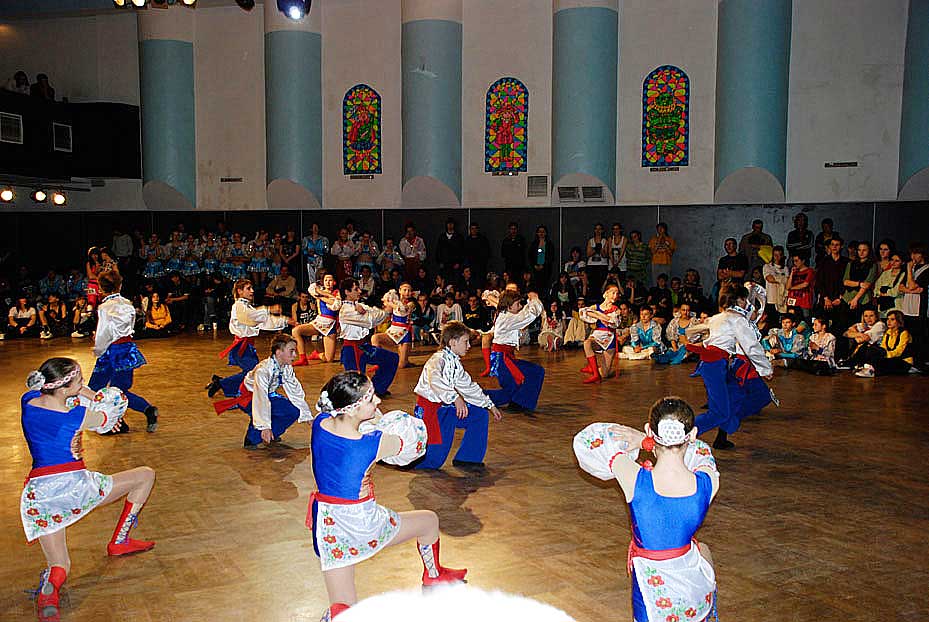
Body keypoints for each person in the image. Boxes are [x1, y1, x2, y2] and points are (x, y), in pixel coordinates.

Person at [310, 372, 465, 619]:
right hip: (361, 522)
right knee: (429, 521)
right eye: (371, 398)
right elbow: (415, 445)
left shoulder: (320, 423)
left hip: (327, 525)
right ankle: (433, 574)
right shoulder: (372, 444)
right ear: (352, 408)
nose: (378, 401)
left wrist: (369, 417)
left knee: (344, 608)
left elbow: (350, 427)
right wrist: (393, 423)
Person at [21, 358, 156, 622]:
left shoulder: (29, 402)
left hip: (39, 496)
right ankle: (119, 541)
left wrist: (85, 395)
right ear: (63, 388)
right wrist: (103, 405)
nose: (83, 383)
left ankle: (49, 593)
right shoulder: (76, 416)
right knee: (145, 475)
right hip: (76, 488)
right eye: (79, 380)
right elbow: (110, 414)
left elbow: (77, 404)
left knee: (60, 565)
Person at [573, 397, 720, 622]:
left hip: (653, 590)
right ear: (692, 434)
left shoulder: (633, 478)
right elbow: (701, 451)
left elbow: (587, 441)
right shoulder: (708, 481)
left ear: (650, 430)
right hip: (693, 588)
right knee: (704, 551)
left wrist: (645, 442)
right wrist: (649, 441)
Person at [685, 283, 773, 450]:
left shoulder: (718, 317)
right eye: (744, 299)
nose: (746, 303)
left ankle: (688, 434)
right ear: (739, 300)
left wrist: (702, 339)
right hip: (716, 365)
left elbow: (692, 332)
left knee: (727, 405)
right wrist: (765, 369)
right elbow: (751, 346)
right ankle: (681, 434)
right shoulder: (737, 320)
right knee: (720, 412)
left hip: (715, 364)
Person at [413, 322, 503, 470]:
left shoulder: (454, 362)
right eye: (466, 342)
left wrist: (489, 405)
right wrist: (455, 398)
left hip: (446, 408)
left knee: (479, 415)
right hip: (432, 411)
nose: (469, 346)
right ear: (453, 342)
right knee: (432, 462)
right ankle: (398, 456)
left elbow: (469, 386)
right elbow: (435, 380)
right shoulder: (437, 360)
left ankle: (468, 458)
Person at [87, 271, 158, 433]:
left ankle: (118, 422)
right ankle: (143, 411)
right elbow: (130, 327)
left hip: (111, 350)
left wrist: (98, 349)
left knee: (96, 388)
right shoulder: (127, 304)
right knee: (118, 390)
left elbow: (103, 333)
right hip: (126, 349)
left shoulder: (104, 307)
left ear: (101, 288)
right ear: (119, 286)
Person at [213, 334, 314, 448]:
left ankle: (271, 434)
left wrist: (307, 416)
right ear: (278, 352)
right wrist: (264, 426)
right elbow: (260, 398)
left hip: (266, 395)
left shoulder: (286, 367)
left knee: (292, 411)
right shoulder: (263, 370)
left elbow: (295, 392)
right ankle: (252, 439)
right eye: (291, 351)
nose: (295, 355)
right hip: (250, 397)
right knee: (266, 412)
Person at [206, 279, 289, 399]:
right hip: (242, 346)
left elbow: (261, 321)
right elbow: (251, 318)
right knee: (253, 372)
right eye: (248, 288)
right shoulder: (239, 306)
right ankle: (222, 384)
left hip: (246, 346)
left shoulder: (246, 306)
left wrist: (284, 321)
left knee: (252, 372)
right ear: (240, 291)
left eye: (252, 288)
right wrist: (269, 310)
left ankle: (221, 383)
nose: (252, 291)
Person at [338, 278, 400, 398]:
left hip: (363, 346)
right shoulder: (345, 311)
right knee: (356, 386)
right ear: (347, 292)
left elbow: (375, 313)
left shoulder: (359, 305)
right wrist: (386, 311)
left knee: (391, 358)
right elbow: (370, 321)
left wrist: (383, 311)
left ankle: (377, 389)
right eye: (356, 289)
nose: (359, 291)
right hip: (352, 350)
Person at [849, 310, 917, 377]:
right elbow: (883, 347)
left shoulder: (904, 333)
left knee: (882, 360)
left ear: (899, 321)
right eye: (888, 319)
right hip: (890, 357)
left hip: (903, 360)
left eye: (892, 319)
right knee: (869, 348)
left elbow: (899, 351)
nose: (888, 321)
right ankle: (860, 365)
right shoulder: (887, 333)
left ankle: (870, 370)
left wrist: (885, 355)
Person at [294, 273, 342, 366]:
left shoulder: (337, 293)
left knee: (329, 359)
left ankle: (317, 355)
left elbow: (335, 304)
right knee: (296, 331)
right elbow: (312, 289)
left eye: (330, 280)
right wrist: (321, 293)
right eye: (326, 280)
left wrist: (321, 295)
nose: (328, 282)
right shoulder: (318, 291)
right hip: (320, 321)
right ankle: (303, 358)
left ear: (334, 282)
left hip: (331, 325)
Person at [579, 284, 621, 383]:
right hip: (598, 335)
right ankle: (595, 374)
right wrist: (601, 316)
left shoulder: (616, 310)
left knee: (605, 374)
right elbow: (583, 312)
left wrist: (597, 315)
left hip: (610, 338)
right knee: (587, 343)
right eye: (613, 293)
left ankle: (593, 368)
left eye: (617, 293)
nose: (615, 296)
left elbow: (613, 322)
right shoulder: (597, 306)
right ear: (606, 293)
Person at [372, 283, 417, 369]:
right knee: (375, 338)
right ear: (399, 290)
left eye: (409, 290)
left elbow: (403, 309)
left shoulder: (411, 303)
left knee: (401, 365)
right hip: (393, 330)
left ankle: (405, 361)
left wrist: (390, 303)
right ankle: (379, 361)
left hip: (404, 333)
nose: (407, 292)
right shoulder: (395, 301)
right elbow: (386, 311)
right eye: (405, 290)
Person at [900, 242, 929, 361]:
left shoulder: (926, 269)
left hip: (919, 308)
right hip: (907, 307)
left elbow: (913, 286)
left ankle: (920, 360)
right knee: (909, 335)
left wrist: (909, 269)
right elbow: (901, 287)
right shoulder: (911, 268)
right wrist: (910, 290)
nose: (913, 257)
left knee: (919, 336)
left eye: (916, 253)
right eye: (911, 254)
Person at [762, 245, 789, 326]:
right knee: (771, 323)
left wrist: (777, 279)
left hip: (782, 300)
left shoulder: (785, 268)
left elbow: (787, 281)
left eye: (779, 255)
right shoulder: (767, 266)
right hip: (771, 299)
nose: (777, 257)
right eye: (775, 255)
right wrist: (782, 279)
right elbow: (769, 279)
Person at [873, 253, 906, 317]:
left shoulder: (904, 274)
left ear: (902, 262)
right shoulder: (885, 273)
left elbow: (896, 291)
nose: (893, 262)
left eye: (897, 261)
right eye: (892, 260)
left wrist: (885, 292)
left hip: (896, 305)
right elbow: (876, 288)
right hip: (883, 305)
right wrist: (880, 292)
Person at [786, 254, 815, 322]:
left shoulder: (810, 271)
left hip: (804, 301)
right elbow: (787, 286)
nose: (795, 263)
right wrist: (791, 273)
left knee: (805, 321)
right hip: (793, 301)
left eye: (796, 261)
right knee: (792, 321)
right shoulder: (794, 272)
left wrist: (792, 288)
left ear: (803, 261)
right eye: (793, 261)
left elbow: (805, 284)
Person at [303, 222, 330, 287]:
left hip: (319, 260)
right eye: (313, 227)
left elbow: (326, 250)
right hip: (310, 261)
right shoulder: (306, 239)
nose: (315, 229)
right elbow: (303, 250)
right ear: (311, 229)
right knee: (311, 279)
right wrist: (308, 252)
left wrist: (316, 251)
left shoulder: (323, 239)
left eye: (316, 227)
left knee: (320, 277)